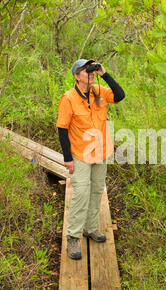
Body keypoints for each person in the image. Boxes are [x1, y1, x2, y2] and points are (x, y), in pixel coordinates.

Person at [56, 59, 125, 260]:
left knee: (96, 190)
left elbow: (120, 95)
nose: (91, 74)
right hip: (80, 154)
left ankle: (90, 228)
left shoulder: (99, 91)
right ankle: (73, 237)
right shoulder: (68, 99)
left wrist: (104, 73)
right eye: (87, 71)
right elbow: (62, 129)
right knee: (82, 193)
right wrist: (68, 159)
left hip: (101, 152)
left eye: (92, 70)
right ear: (77, 75)